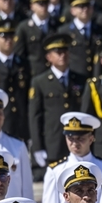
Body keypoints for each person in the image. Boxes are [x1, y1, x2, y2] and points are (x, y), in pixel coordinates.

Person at [41, 113, 102, 203]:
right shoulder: (55, 170)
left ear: (91, 139)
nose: (75, 143)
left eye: (80, 138)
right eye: (70, 138)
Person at [29, 33, 88, 173]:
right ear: (49, 57)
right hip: (53, 143)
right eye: (58, 52)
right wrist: (37, 146)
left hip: (76, 143)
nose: (62, 55)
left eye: (65, 51)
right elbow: (35, 116)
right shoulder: (40, 82)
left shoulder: (80, 80)